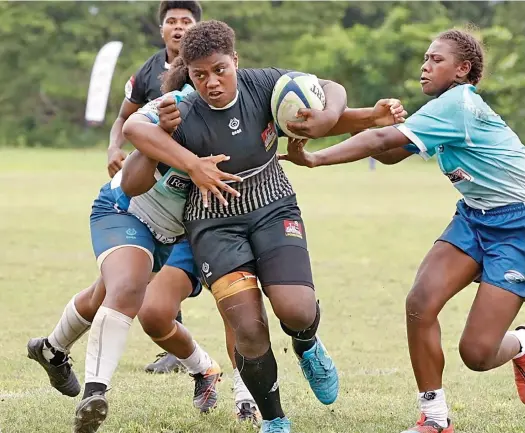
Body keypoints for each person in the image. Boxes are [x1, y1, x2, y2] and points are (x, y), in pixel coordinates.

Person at [122, 19, 406, 433]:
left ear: (235, 60)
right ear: (190, 73)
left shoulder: (267, 86)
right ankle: (274, 421)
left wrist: (351, 117)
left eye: (220, 69)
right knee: (248, 330)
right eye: (200, 74)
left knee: (296, 309)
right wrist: (190, 163)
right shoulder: (178, 105)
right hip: (213, 222)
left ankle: (307, 343)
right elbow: (133, 132)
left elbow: (330, 90)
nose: (211, 82)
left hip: (272, 205)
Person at [279, 29, 525, 433]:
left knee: (477, 354)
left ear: (463, 69)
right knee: (420, 302)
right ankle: (434, 417)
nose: (424, 67)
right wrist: (377, 125)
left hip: (517, 225)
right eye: (425, 59)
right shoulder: (444, 108)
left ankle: (521, 344)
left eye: (436, 60)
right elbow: (391, 151)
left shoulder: (459, 105)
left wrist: (317, 158)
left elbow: (378, 140)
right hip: (474, 218)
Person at [107, 0, 202, 374]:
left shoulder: (211, 69)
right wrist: (115, 147)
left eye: (186, 21)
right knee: (152, 260)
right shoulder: (147, 70)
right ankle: (175, 345)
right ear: (161, 28)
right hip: (157, 183)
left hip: (199, 183)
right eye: (172, 21)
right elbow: (125, 117)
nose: (178, 27)